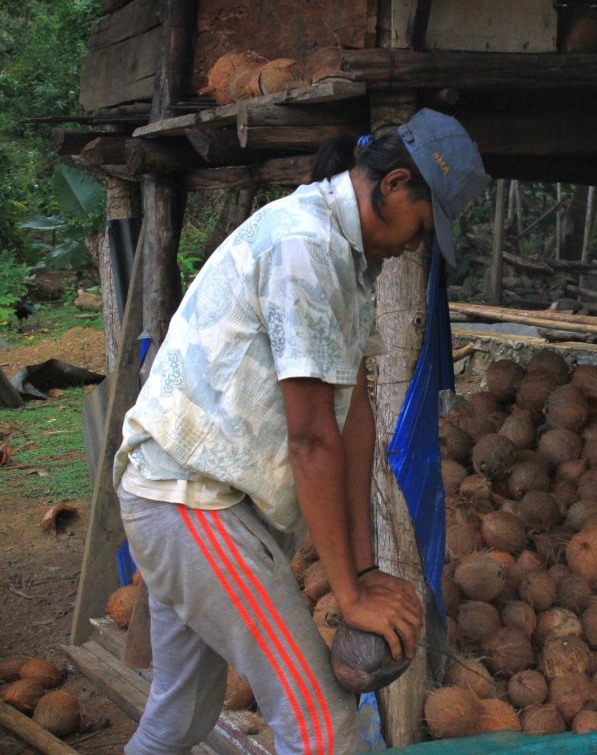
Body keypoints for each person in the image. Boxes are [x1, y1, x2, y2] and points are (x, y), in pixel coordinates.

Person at [114, 110, 489, 755]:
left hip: (200, 500)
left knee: (182, 717)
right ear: (395, 185)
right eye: (423, 228)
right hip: (190, 501)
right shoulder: (305, 246)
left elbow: (355, 421)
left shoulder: (350, 260)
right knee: (322, 727)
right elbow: (312, 439)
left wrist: (366, 569)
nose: (414, 246)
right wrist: (349, 597)